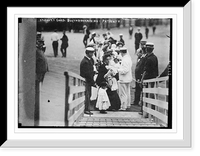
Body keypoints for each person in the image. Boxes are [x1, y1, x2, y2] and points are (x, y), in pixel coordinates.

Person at [139, 42, 159, 115]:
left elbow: (146, 71)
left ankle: (145, 110)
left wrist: (141, 80)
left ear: (147, 49)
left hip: (148, 79)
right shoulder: (154, 57)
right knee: (150, 94)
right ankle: (151, 110)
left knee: (146, 95)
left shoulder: (149, 59)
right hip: (152, 78)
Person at [80, 47, 96, 115]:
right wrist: (93, 82)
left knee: (89, 94)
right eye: (91, 53)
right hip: (86, 80)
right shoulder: (85, 62)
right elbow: (88, 74)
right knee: (87, 95)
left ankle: (87, 108)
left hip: (88, 80)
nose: (92, 54)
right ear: (87, 53)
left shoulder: (89, 60)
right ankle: (86, 109)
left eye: (93, 52)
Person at [133, 41, 147, 106]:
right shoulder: (139, 58)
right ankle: (136, 101)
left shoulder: (143, 58)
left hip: (140, 76)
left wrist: (139, 77)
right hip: (137, 77)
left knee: (140, 89)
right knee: (137, 89)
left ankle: (140, 102)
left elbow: (141, 69)